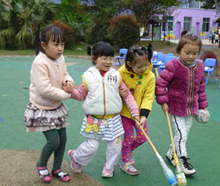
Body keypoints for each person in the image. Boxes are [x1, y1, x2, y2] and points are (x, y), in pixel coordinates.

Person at [68, 42, 140, 178]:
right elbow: (80, 95)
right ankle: (75, 157)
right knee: (91, 147)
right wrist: (70, 92)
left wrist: (135, 111)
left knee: (115, 147)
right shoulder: (88, 76)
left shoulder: (117, 76)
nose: (108, 62)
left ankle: (109, 167)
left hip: (114, 119)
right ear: (95, 58)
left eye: (111, 58)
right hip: (94, 120)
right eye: (104, 58)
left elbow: (127, 95)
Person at [24, 25, 74, 183]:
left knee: (63, 139)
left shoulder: (60, 58)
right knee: (54, 141)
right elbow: (45, 90)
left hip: (56, 106)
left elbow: (64, 73)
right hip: (42, 107)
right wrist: (67, 94)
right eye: (56, 44)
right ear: (44, 45)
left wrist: (68, 81)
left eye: (62, 44)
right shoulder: (40, 63)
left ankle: (57, 168)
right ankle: (41, 165)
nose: (60, 49)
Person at [155, 34, 208, 176]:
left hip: (191, 108)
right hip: (176, 107)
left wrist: (202, 106)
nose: (191, 56)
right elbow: (161, 84)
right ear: (179, 50)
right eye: (187, 53)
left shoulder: (199, 66)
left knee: (184, 134)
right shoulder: (173, 65)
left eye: (195, 53)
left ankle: (171, 153)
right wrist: (163, 101)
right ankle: (183, 160)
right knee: (181, 134)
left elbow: (201, 87)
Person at [118, 45, 155, 175]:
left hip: (140, 115)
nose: (143, 69)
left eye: (146, 65)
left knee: (142, 138)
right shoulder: (121, 73)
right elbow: (113, 90)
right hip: (124, 113)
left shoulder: (150, 76)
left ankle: (127, 151)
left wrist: (144, 115)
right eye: (139, 67)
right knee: (128, 138)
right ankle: (125, 162)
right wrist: (119, 93)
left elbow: (149, 96)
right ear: (129, 63)